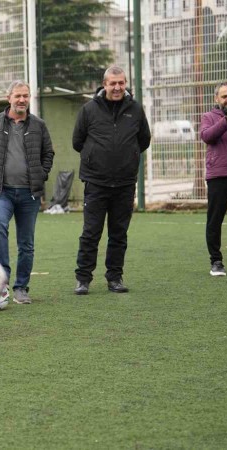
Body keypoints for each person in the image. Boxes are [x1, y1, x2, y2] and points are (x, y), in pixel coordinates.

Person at [72, 66, 151, 295]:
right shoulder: (89, 110)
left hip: (125, 183)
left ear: (125, 84)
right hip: (96, 182)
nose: (117, 87)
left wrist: (128, 157)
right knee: (90, 233)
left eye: (121, 83)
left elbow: (144, 140)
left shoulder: (136, 109)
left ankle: (115, 278)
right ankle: (83, 279)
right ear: (104, 84)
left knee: (118, 234)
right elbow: (78, 141)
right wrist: (96, 157)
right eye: (113, 83)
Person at [0, 80, 54, 305]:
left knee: (26, 243)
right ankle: (1, 283)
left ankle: (21, 288)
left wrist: (42, 175)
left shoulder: (38, 125)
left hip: (30, 194)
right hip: (2, 191)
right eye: (18, 96)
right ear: (8, 98)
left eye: (25, 96)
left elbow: (48, 153)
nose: (22, 100)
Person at [200, 82, 227, 276]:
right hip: (218, 175)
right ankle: (216, 261)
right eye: (224, 96)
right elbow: (207, 136)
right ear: (216, 98)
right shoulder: (208, 117)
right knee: (215, 221)